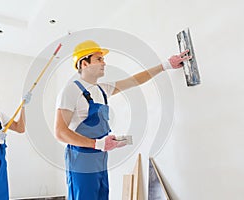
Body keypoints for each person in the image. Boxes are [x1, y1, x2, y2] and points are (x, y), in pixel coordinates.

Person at [54, 40, 191, 200]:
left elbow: (135, 80)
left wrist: (166, 65)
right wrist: (97, 143)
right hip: (81, 160)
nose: (104, 63)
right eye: (99, 59)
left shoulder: (102, 90)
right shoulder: (71, 90)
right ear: (84, 63)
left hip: (100, 158)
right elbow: (60, 132)